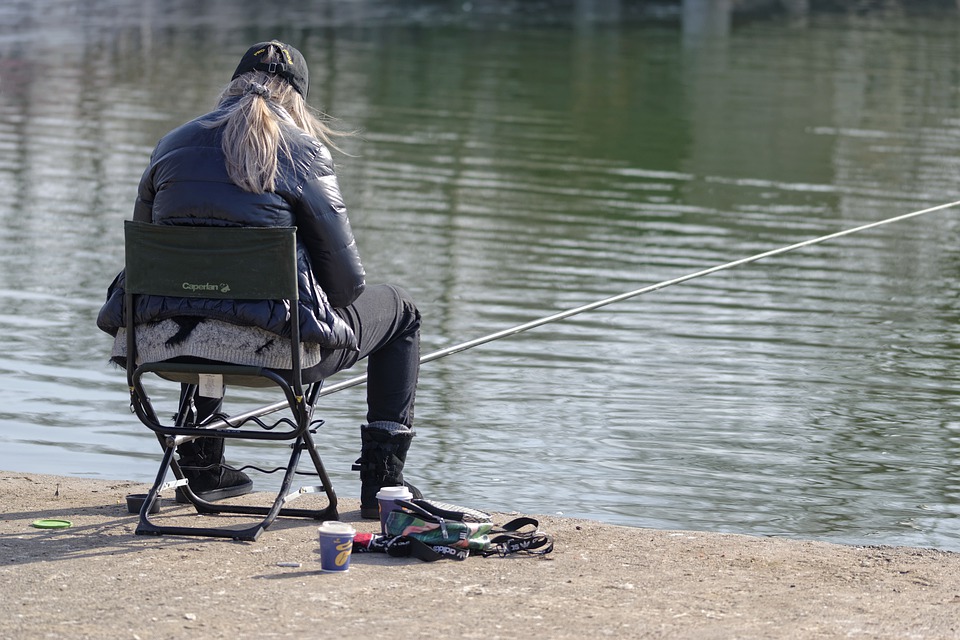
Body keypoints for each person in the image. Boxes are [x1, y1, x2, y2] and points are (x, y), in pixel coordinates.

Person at [97, 40, 421, 519]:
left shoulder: (171, 144)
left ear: (231, 87)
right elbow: (347, 287)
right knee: (401, 310)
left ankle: (203, 464)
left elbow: (150, 259)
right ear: (297, 100)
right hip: (278, 352)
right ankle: (383, 485)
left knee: (200, 296)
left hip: (163, 347)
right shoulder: (303, 151)